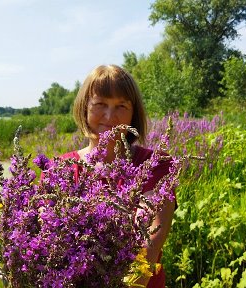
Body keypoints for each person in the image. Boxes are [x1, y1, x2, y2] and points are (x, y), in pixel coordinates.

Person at [61, 64, 175, 287]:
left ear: (134, 114)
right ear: (85, 107)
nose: (109, 116)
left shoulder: (155, 166)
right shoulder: (61, 169)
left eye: (121, 106)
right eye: (100, 104)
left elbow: (149, 240)